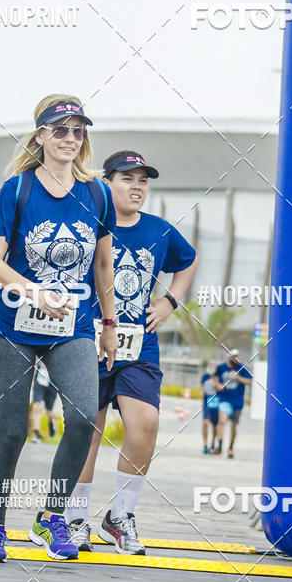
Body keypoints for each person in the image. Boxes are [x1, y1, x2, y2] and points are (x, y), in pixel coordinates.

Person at [0, 95, 117, 563]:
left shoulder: (97, 193)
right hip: (11, 327)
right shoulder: (16, 189)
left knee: (83, 418)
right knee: (12, 431)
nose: (70, 138)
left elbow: (102, 265)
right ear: (40, 136)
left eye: (78, 131)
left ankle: (51, 518)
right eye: (60, 130)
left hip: (72, 327)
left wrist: (109, 324)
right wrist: (34, 292)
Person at [66, 150, 198, 555]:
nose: (137, 186)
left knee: (145, 424)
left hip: (139, 346)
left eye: (143, 180)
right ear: (106, 183)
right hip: (87, 340)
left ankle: (120, 516)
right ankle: (75, 518)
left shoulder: (160, 230)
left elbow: (188, 261)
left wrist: (169, 301)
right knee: (87, 429)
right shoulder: (86, 224)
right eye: (127, 178)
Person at [211, 349, 252, 458]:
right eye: (233, 356)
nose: (236, 358)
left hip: (237, 401)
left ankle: (231, 448)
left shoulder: (242, 368)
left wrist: (238, 378)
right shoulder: (221, 367)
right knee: (222, 421)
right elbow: (214, 377)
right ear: (228, 357)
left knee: (234, 425)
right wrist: (217, 385)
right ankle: (219, 447)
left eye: (237, 356)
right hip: (224, 399)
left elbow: (250, 382)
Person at [30, 357, 57, 441]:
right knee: (36, 405)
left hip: (52, 382)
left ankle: (51, 423)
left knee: (49, 411)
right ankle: (36, 433)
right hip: (39, 379)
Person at [201, 359, 220, 454]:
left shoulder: (218, 377)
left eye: (213, 365)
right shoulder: (205, 376)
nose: (211, 367)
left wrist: (215, 383)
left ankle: (212, 443)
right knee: (205, 423)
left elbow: (221, 388)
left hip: (216, 402)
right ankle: (205, 445)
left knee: (215, 425)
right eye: (210, 365)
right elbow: (202, 388)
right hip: (207, 402)